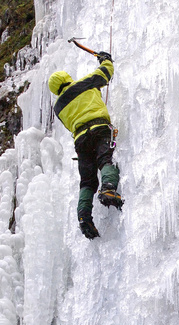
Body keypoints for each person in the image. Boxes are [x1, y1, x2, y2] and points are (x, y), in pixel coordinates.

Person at [48, 51, 123, 239]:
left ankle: (84, 217)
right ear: (67, 78)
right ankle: (108, 187)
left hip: (80, 140)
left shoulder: (59, 107)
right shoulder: (84, 84)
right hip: (99, 128)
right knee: (106, 159)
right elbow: (105, 73)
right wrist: (105, 59)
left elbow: (68, 124)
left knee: (87, 181)